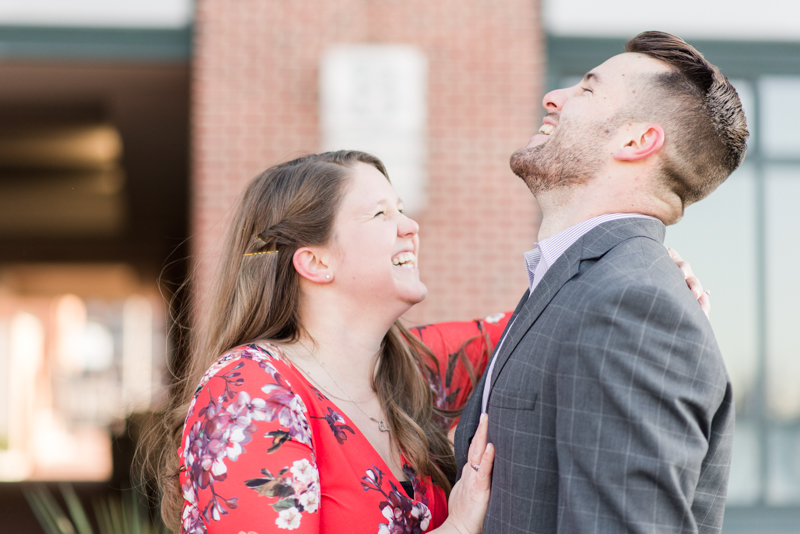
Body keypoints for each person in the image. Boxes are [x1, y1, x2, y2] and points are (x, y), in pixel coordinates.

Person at [144, 150, 709, 534]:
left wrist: (641, 276)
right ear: (314, 261)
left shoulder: (409, 368)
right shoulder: (247, 392)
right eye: (380, 213)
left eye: (402, 207)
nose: (410, 225)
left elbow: (553, 319)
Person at [454, 31, 747, 534]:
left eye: (587, 89)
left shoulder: (634, 304)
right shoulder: (589, 290)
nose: (553, 97)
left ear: (637, 141)